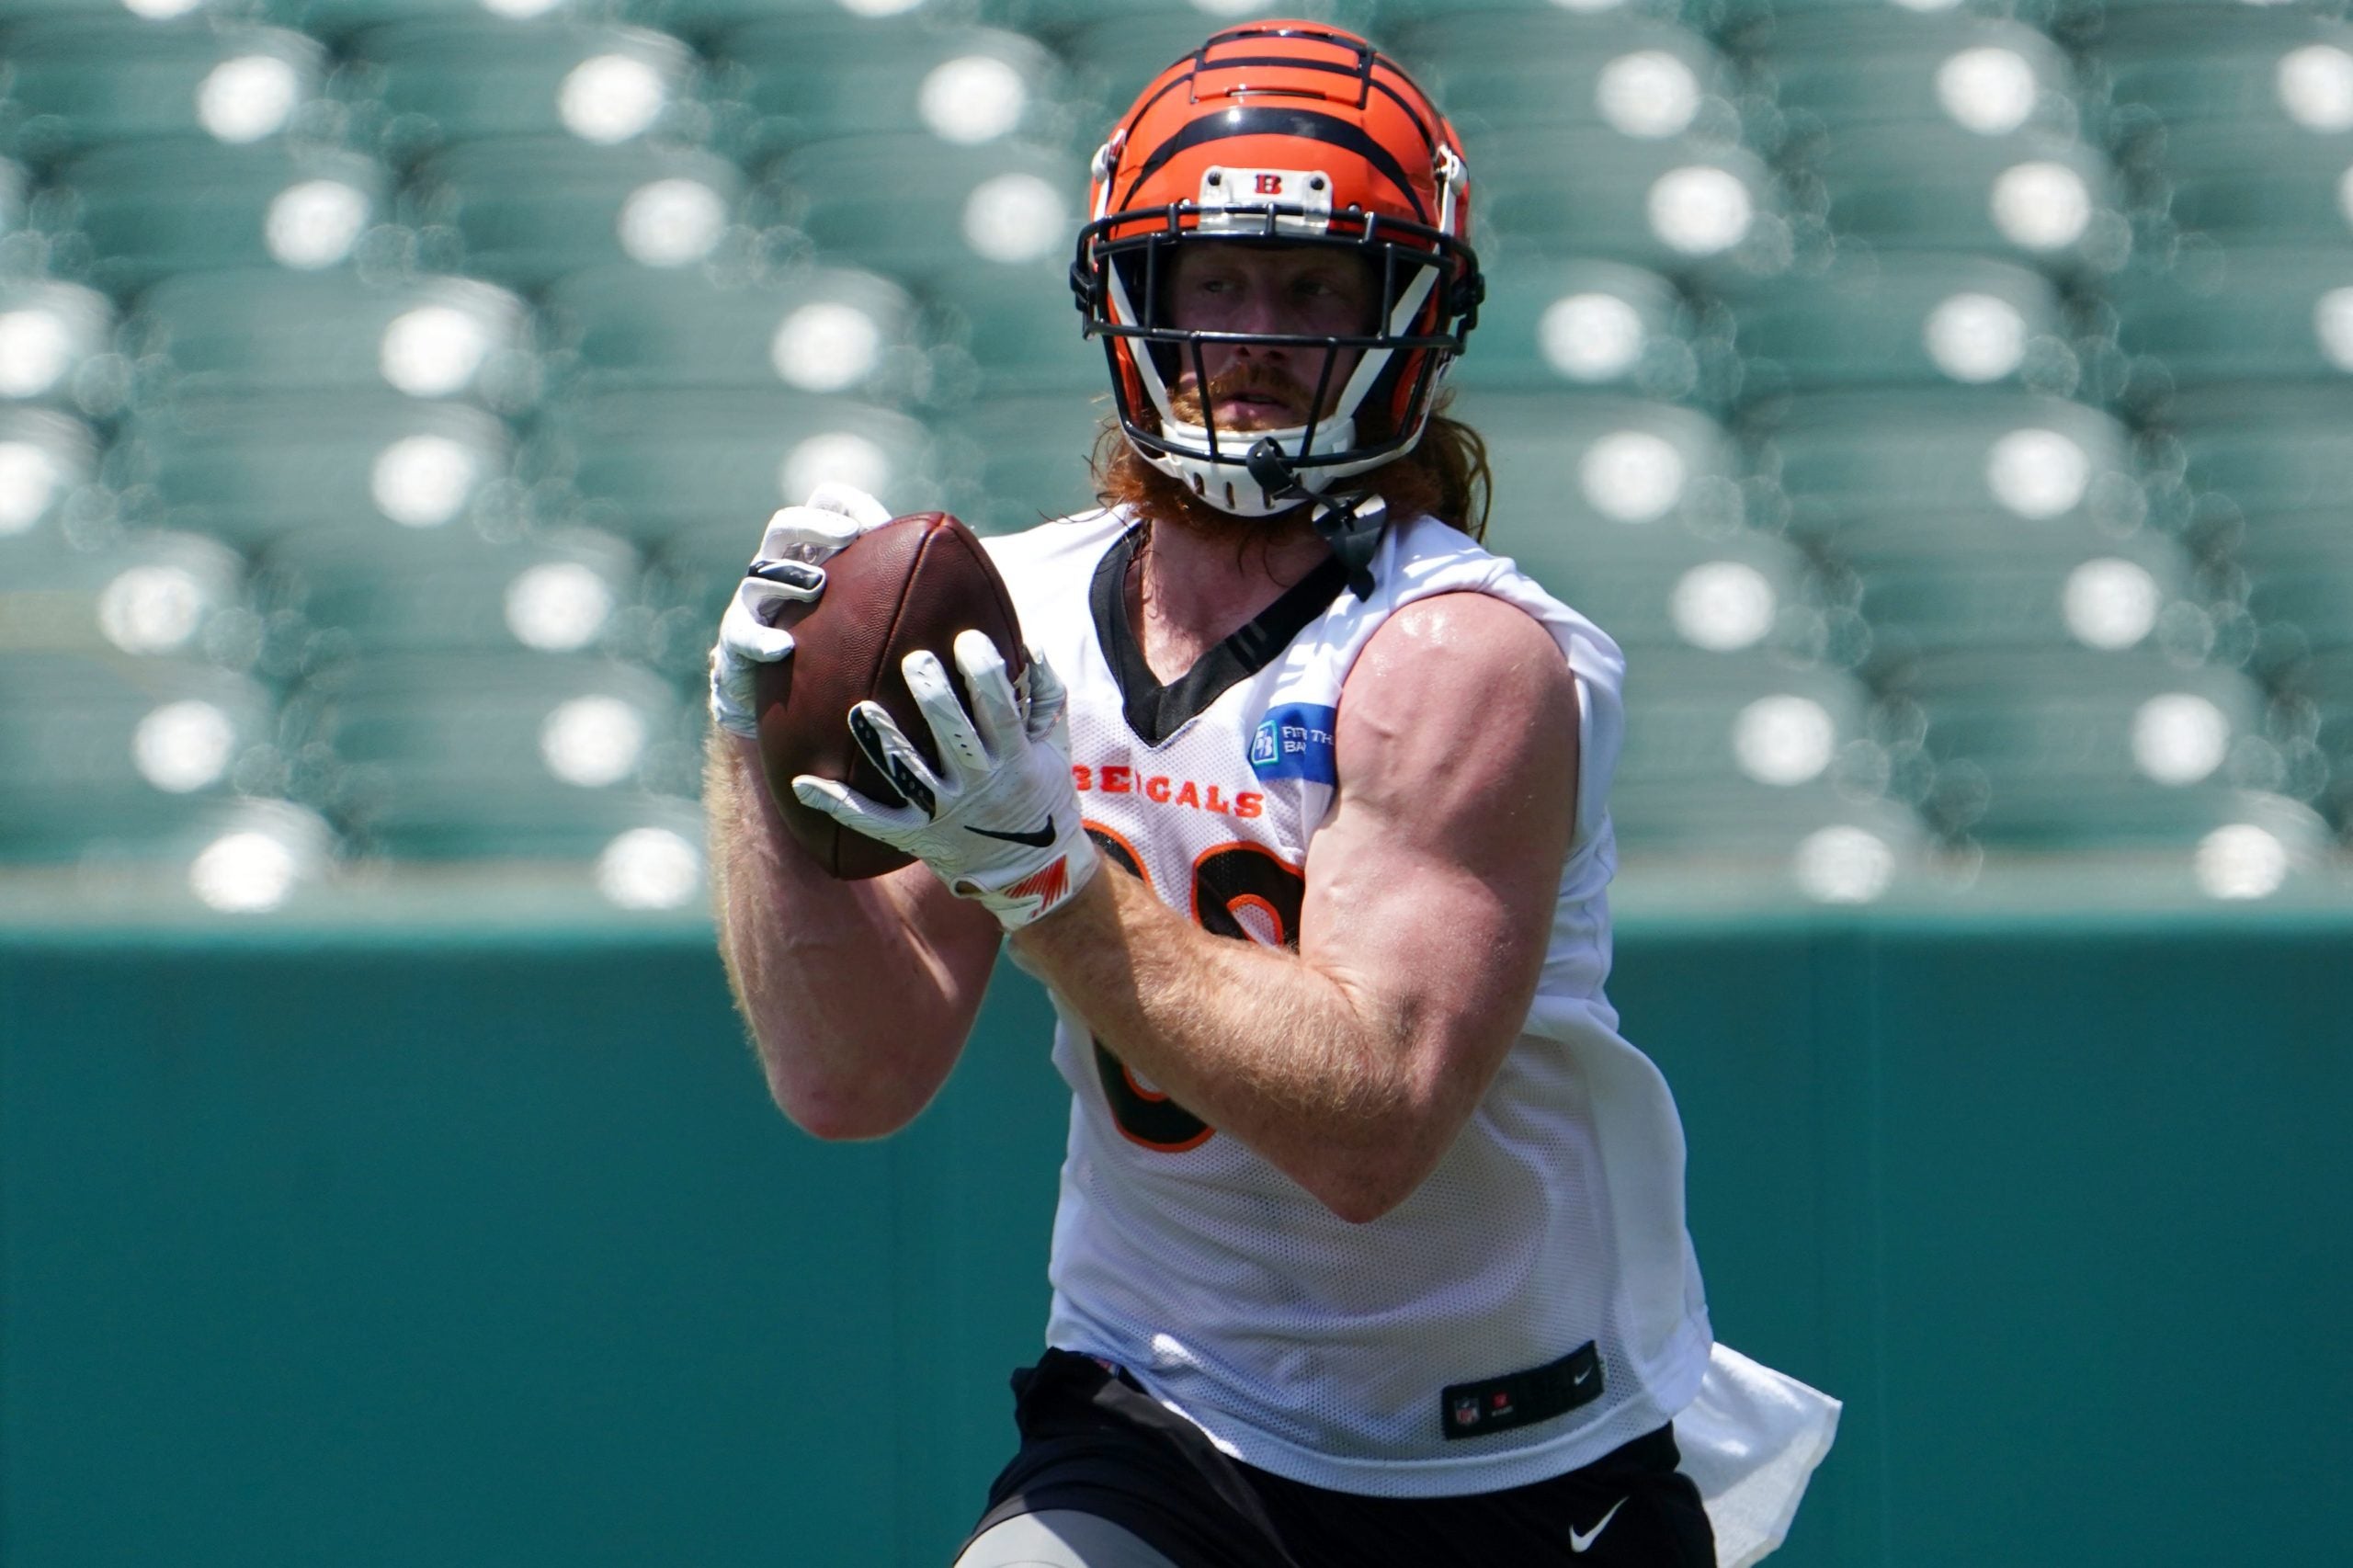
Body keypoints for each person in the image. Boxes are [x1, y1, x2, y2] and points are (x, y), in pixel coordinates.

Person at [703, 20, 1836, 1567]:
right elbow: (851, 1079)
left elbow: (1371, 1131)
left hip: (1506, 1453)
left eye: (1315, 288)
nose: (1254, 333)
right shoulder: (1015, 611)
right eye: (1213, 278)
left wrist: (1044, 878)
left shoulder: (1466, 656)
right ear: (1130, 298)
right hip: (1165, 1407)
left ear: (1412, 319)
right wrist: (753, 752)